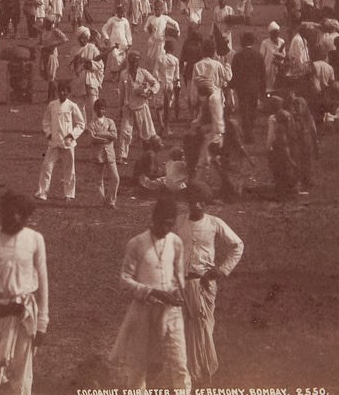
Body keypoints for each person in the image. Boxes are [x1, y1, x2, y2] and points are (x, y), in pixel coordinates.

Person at [0, 192, 49, 395]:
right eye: (8, 213)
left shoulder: (35, 239)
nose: (13, 218)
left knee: (21, 375)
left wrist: (42, 323)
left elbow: (43, 283)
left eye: (20, 215)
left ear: (26, 217)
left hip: (23, 316)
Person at [109, 196, 190, 390]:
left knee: (180, 364)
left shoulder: (176, 243)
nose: (167, 229)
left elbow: (179, 278)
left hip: (171, 313)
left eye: (171, 225)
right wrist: (151, 291)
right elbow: (124, 280)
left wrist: (177, 293)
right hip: (143, 313)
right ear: (153, 219)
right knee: (139, 367)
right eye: (163, 224)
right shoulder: (137, 243)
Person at [176, 182, 244, 385]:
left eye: (200, 202)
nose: (195, 205)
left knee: (205, 325)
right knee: (185, 327)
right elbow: (169, 246)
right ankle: (189, 372)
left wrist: (221, 270)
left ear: (205, 204)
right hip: (182, 283)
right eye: (192, 201)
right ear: (188, 203)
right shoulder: (179, 222)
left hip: (205, 284)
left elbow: (237, 245)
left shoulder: (214, 223)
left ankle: (206, 372)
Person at [35, 80, 85, 202]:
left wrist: (72, 135)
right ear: (58, 92)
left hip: (67, 144)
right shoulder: (52, 105)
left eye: (65, 91)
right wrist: (48, 133)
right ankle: (42, 192)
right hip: (54, 142)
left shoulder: (72, 106)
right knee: (47, 167)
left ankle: (69, 194)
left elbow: (81, 124)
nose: (62, 93)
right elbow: (46, 121)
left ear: (68, 92)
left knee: (69, 169)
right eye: (60, 90)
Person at [119, 51, 160, 163]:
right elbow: (121, 93)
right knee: (125, 132)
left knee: (147, 134)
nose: (134, 63)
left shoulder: (143, 73)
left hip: (142, 107)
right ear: (129, 61)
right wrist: (120, 108)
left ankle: (149, 155)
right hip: (128, 107)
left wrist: (150, 92)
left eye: (136, 61)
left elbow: (156, 83)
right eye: (132, 61)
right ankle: (123, 157)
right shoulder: (124, 74)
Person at [230, 31, 266, 144]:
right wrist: (262, 90)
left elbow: (234, 73)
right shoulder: (258, 56)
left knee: (244, 110)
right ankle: (249, 132)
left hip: (242, 88)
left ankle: (248, 134)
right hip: (254, 88)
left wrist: (232, 86)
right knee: (252, 110)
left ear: (243, 42)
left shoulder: (238, 56)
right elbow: (262, 74)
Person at [86, 98, 119, 208]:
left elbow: (114, 136)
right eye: (99, 109)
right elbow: (92, 139)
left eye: (103, 109)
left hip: (109, 154)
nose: (101, 111)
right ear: (95, 110)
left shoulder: (110, 122)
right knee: (98, 180)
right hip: (97, 155)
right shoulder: (91, 124)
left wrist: (100, 134)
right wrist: (106, 136)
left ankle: (110, 201)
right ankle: (101, 201)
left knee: (115, 178)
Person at [36, 16, 68, 102]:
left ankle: (50, 97)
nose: (47, 24)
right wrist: (42, 48)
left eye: (49, 23)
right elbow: (38, 43)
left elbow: (65, 39)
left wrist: (54, 44)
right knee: (46, 75)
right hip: (44, 55)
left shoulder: (55, 31)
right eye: (46, 22)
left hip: (51, 55)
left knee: (51, 76)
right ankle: (53, 95)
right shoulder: (43, 32)